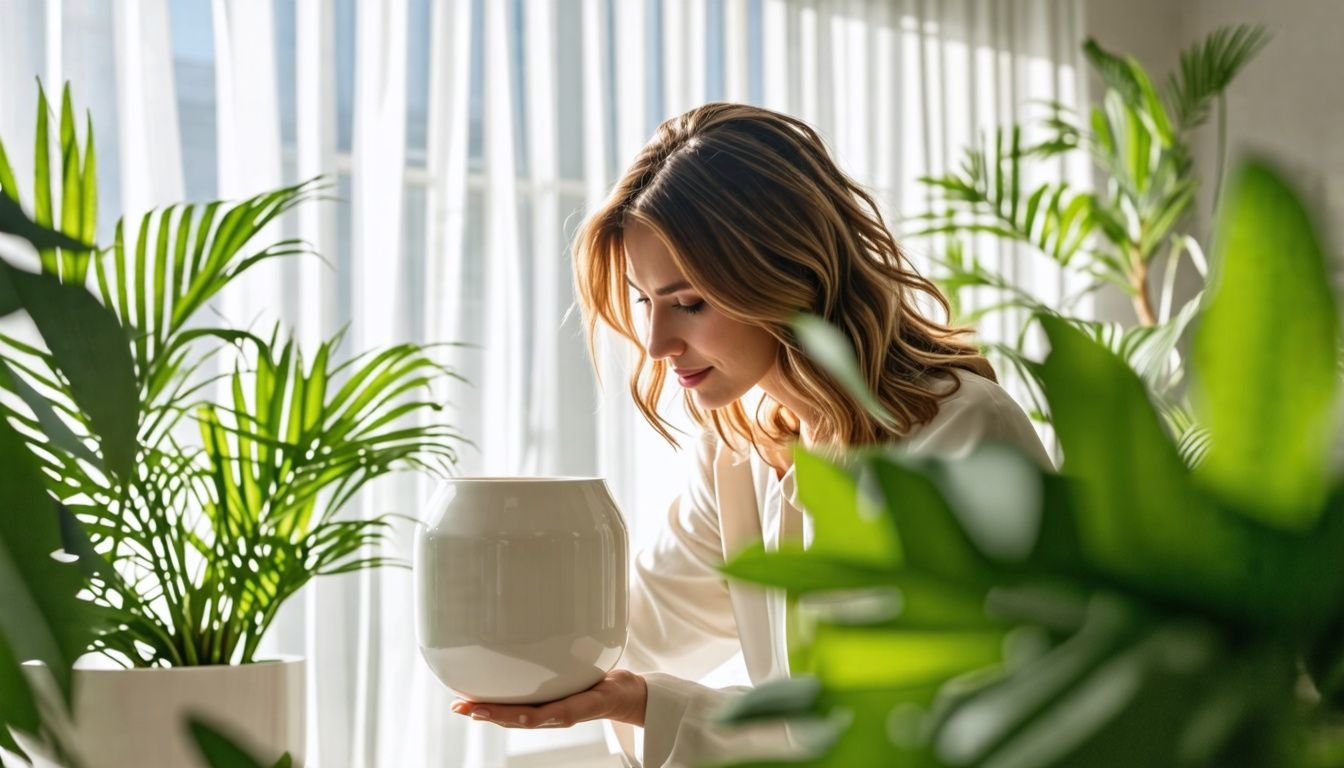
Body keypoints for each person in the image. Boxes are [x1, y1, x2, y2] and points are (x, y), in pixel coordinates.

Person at [447, 103, 1052, 766]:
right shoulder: (742, 451)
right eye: (645, 301)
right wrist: (494, 607)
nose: (655, 343)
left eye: (690, 303)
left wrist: (645, 703)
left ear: (786, 273)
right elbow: (637, 630)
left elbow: (922, 732)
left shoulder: (963, 437)